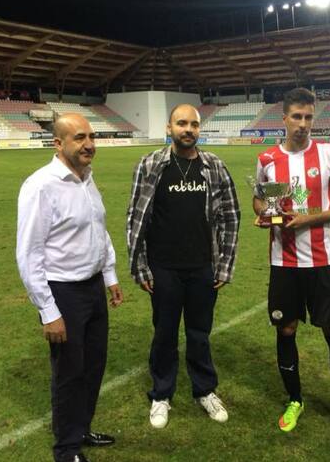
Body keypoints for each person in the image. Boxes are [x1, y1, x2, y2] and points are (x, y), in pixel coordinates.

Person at [252, 88, 330, 449]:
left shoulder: (329, 153)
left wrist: (308, 219)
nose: (302, 124)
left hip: (322, 261)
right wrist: (264, 215)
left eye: (308, 117)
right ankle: (295, 400)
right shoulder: (267, 158)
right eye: (296, 116)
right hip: (283, 263)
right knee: (286, 329)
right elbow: (260, 200)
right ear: (283, 118)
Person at [16, 113, 124, 462]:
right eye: (79, 138)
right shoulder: (41, 186)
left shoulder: (87, 178)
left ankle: (81, 429)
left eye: (91, 137)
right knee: (69, 373)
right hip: (63, 293)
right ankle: (66, 450)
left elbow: (98, 230)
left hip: (92, 288)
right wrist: (48, 312)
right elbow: (29, 254)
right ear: (58, 143)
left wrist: (109, 275)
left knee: (93, 366)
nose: (89, 144)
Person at [126, 103, 240, 429]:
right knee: (164, 334)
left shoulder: (214, 166)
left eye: (193, 124)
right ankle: (161, 394)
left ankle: (205, 390)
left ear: (199, 129)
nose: (188, 129)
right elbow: (136, 218)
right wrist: (140, 266)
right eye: (181, 123)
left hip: (203, 267)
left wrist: (224, 265)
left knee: (199, 334)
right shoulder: (150, 165)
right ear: (169, 128)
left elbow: (231, 217)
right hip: (163, 268)